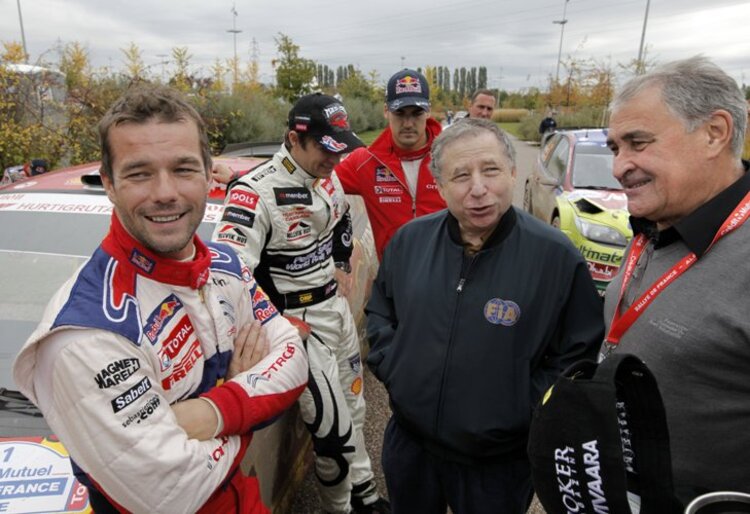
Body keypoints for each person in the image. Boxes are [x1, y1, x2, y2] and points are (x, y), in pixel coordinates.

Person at [12, 85, 309, 513]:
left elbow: (293, 357)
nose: (165, 192)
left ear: (209, 174)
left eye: (183, 169)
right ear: (110, 184)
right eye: (139, 173)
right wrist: (249, 400)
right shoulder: (84, 332)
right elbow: (176, 491)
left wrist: (212, 412)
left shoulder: (226, 263)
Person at [366, 118, 604, 514]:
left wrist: (520, 409)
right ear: (440, 187)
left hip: (498, 464)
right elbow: (380, 311)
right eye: (460, 176)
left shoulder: (556, 258)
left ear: (513, 173)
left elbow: (576, 357)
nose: (478, 189)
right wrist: (397, 370)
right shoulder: (409, 241)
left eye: (490, 170)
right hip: (411, 447)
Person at [212, 93, 389, 514]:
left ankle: (363, 493)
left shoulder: (327, 175)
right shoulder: (253, 193)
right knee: (334, 435)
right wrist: (272, 325)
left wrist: (342, 260)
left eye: (340, 147)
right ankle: (339, 509)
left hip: (335, 311)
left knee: (356, 408)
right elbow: (227, 277)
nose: (335, 158)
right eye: (326, 148)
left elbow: (341, 216)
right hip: (297, 327)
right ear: (294, 138)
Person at [602, 56, 750, 504]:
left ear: (714, 133)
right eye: (615, 149)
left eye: (638, 143)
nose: (618, 167)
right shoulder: (658, 220)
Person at [335, 69, 446, 260]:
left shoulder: (451, 157)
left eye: (417, 113)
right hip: (394, 283)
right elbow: (315, 179)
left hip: (449, 279)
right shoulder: (364, 162)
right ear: (386, 111)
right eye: (400, 113)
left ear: (428, 110)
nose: (409, 123)